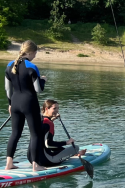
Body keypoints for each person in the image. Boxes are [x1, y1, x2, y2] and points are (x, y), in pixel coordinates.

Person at [5, 40, 51, 172]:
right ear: (30, 52)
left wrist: (10, 104)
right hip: (30, 103)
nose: (35, 56)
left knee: (15, 133)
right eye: (35, 53)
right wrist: (43, 80)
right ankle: (36, 165)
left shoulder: (9, 65)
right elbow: (38, 89)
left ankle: (9, 163)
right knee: (35, 134)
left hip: (15, 103)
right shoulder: (32, 67)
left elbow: (7, 89)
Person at [25, 99, 87, 165]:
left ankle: (73, 153)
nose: (57, 111)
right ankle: (75, 153)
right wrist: (66, 142)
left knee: (55, 147)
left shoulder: (39, 120)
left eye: (58, 108)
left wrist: (53, 119)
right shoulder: (49, 123)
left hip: (31, 159)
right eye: (54, 108)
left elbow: (44, 128)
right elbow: (49, 144)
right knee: (76, 148)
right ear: (46, 109)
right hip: (45, 160)